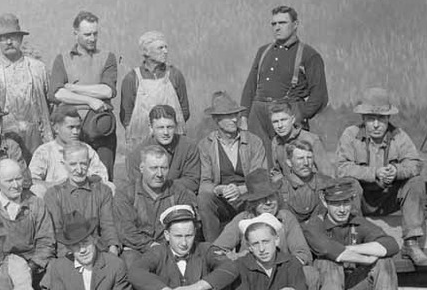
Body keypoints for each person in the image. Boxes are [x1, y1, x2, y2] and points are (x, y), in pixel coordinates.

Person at [303, 178, 413, 290]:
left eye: (346, 202)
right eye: (336, 204)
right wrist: (364, 257)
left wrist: (355, 250)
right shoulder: (315, 225)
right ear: (325, 203)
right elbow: (326, 249)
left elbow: (390, 244)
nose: (342, 209)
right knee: (328, 262)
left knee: (383, 261)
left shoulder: (357, 222)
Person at [335, 87, 427, 268]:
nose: (376, 125)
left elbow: (416, 164)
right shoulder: (350, 135)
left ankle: (411, 243)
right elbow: (341, 168)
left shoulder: (399, 136)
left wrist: (396, 171)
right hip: (361, 199)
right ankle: (354, 242)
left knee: (416, 181)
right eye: (371, 119)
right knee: (350, 183)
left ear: (388, 119)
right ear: (363, 119)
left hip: (389, 198)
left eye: (381, 119)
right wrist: (374, 173)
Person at [210, 168, 317, 290]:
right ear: (252, 202)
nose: (268, 202)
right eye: (262, 199)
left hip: (283, 275)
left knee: (310, 274)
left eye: (271, 196)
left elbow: (303, 254)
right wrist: (237, 257)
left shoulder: (286, 218)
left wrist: (281, 266)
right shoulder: (242, 219)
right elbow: (215, 251)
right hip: (251, 277)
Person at [240, 5, 328, 162]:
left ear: (295, 25)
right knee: (259, 163)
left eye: (282, 23)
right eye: (274, 24)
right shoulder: (263, 51)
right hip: (258, 114)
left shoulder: (309, 55)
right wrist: (244, 116)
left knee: (291, 163)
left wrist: (299, 115)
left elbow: (320, 96)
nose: (277, 27)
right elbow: (250, 86)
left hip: (288, 113)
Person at [49, 10, 119, 179]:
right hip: (72, 128)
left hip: (101, 127)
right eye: (87, 34)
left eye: (95, 34)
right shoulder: (62, 59)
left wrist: (74, 88)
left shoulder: (107, 57)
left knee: (103, 176)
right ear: (75, 34)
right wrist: (90, 100)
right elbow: (57, 93)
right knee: (71, 175)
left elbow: (108, 90)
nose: (92, 38)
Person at [0, 13, 53, 156]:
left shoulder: (38, 68)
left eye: (13, 37)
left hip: (37, 139)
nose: (9, 42)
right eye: (3, 38)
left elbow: (51, 105)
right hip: (3, 140)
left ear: (21, 38)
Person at [196, 91, 268, 242]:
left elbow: (260, 179)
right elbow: (204, 183)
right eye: (229, 116)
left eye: (237, 115)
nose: (235, 119)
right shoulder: (205, 145)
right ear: (216, 119)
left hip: (248, 197)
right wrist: (220, 189)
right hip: (222, 200)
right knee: (203, 199)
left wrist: (240, 189)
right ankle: (213, 248)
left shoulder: (254, 142)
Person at [0, 158, 55, 281]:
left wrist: (31, 267)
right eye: (9, 181)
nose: (16, 185)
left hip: (32, 265)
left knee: (55, 269)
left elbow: (46, 242)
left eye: (18, 179)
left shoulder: (36, 204)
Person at [114, 144, 199, 265]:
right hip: (138, 249)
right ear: (142, 168)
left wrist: (165, 249)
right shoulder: (126, 194)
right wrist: (151, 246)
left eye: (164, 168)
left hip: (171, 248)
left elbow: (186, 225)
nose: (159, 174)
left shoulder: (179, 192)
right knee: (130, 260)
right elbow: (126, 231)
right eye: (154, 168)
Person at [42, 143, 120, 258]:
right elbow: (57, 232)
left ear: (89, 163)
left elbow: (108, 225)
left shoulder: (102, 191)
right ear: (64, 164)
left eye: (83, 164)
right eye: (73, 164)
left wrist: (113, 250)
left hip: (97, 250)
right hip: (69, 254)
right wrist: (72, 258)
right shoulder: (53, 195)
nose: (79, 170)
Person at [119, 31, 190, 151]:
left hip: (172, 141)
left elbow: (184, 111)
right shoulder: (132, 78)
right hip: (142, 142)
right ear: (146, 52)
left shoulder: (174, 75)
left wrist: (167, 130)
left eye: (166, 47)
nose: (165, 51)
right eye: (160, 48)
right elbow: (126, 116)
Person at [28, 104, 110, 197]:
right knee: (36, 190)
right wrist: (56, 185)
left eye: (78, 127)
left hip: (84, 195)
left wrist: (80, 181)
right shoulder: (45, 151)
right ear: (56, 128)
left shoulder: (86, 149)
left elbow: (101, 175)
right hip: (56, 197)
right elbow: (32, 180)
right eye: (71, 127)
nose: (75, 132)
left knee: (110, 186)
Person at [123, 104, 200, 196]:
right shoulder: (137, 154)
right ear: (151, 127)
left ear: (176, 126)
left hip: (179, 197)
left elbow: (192, 182)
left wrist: (162, 186)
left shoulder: (189, 147)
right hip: (149, 200)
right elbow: (136, 186)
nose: (166, 132)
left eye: (170, 127)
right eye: (160, 128)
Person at [268, 99, 334, 183]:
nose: (280, 125)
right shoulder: (276, 142)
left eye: (284, 120)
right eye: (275, 122)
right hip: (290, 191)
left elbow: (327, 174)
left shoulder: (311, 139)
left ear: (292, 120)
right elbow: (277, 171)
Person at [279, 140, 331, 223]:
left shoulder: (326, 183)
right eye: (300, 158)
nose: (306, 163)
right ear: (289, 162)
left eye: (309, 158)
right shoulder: (280, 187)